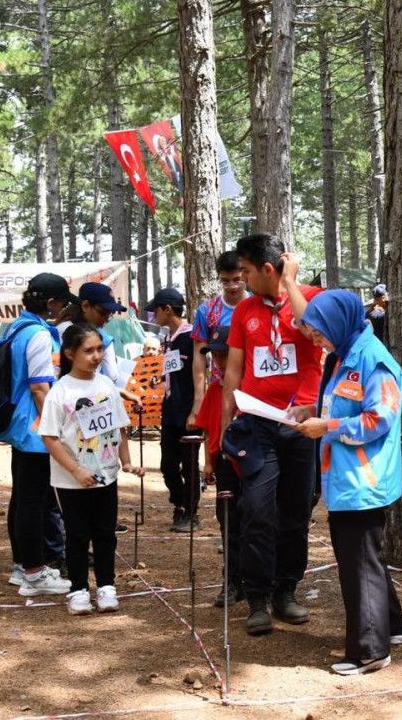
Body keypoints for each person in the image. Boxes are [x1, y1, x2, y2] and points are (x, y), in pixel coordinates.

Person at [293, 290, 402, 675]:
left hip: (362, 480)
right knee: (366, 557)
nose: (317, 341)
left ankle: (370, 650)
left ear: (339, 324)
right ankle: (392, 627)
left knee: (358, 563)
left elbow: (379, 420)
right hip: (344, 476)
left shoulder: (374, 360)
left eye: (319, 334)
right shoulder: (342, 355)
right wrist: (312, 410)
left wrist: (326, 427)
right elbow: (343, 404)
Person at [220, 234, 324, 635]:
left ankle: (286, 590)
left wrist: (291, 282)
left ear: (268, 269)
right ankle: (257, 597)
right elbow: (233, 370)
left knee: (295, 513)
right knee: (257, 510)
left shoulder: (311, 297)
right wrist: (225, 426)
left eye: (247, 271)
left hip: (301, 426)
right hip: (257, 425)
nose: (243, 279)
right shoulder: (244, 310)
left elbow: (312, 330)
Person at [38, 324, 144, 615]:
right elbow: (49, 437)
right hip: (71, 481)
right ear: (70, 353)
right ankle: (79, 590)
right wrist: (75, 470)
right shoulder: (60, 391)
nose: (96, 356)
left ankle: (107, 586)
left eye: (99, 349)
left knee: (105, 533)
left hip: (106, 476)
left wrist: (126, 462)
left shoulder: (107, 385)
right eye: (88, 351)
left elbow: (119, 427)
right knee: (77, 535)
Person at [0, 273, 74, 597]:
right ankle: (34, 572)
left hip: (21, 424)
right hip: (35, 427)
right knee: (33, 500)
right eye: (62, 302)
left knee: (22, 497)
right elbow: (40, 387)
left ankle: (22, 565)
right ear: (51, 302)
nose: (64, 307)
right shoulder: (40, 334)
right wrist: (53, 428)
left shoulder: (15, 327)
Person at [147, 287, 200, 533]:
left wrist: (196, 409)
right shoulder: (169, 338)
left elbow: (199, 375)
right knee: (168, 464)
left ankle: (190, 512)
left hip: (188, 410)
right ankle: (178, 502)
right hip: (170, 409)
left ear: (167, 310)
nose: (153, 316)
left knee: (189, 465)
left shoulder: (192, 337)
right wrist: (161, 379)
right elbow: (175, 370)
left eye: (155, 310)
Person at [198, 326, 244, 607]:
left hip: (250, 463)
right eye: (214, 355)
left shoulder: (248, 387)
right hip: (224, 463)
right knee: (228, 523)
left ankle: (255, 581)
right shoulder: (215, 389)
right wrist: (207, 462)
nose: (218, 360)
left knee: (254, 521)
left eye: (223, 354)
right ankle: (231, 581)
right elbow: (207, 428)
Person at [188, 251, 248, 429]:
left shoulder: (257, 304)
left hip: (252, 387)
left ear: (245, 274)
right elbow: (199, 356)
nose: (232, 286)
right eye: (225, 281)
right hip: (220, 387)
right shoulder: (207, 311)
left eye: (237, 279)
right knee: (216, 438)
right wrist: (199, 400)